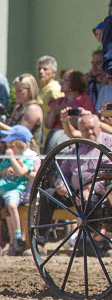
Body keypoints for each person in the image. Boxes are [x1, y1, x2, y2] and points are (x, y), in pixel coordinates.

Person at [0, 125, 39, 256]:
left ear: (20, 144)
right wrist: (7, 170)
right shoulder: (14, 155)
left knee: (11, 203)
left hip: (27, 192)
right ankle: (12, 241)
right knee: (8, 204)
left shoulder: (31, 156)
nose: (8, 147)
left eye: (12, 144)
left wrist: (20, 171)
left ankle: (17, 240)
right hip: (13, 189)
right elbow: (3, 170)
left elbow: (37, 176)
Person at [43, 70, 95, 153]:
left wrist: (65, 116)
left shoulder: (84, 100)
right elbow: (48, 125)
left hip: (73, 139)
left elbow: (86, 123)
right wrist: (53, 111)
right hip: (55, 138)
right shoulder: (59, 101)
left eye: (66, 80)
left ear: (75, 83)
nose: (61, 82)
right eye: (61, 80)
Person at [1, 74, 44, 144]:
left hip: (28, 152)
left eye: (20, 91)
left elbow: (20, 134)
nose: (16, 94)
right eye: (16, 91)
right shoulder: (18, 107)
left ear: (30, 90)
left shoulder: (33, 109)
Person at [35, 55, 62, 147]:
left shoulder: (54, 90)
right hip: (41, 138)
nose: (41, 72)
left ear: (54, 73)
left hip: (50, 138)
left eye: (45, 69)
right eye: (39, 69)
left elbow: (58, 114)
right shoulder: (41, 90)